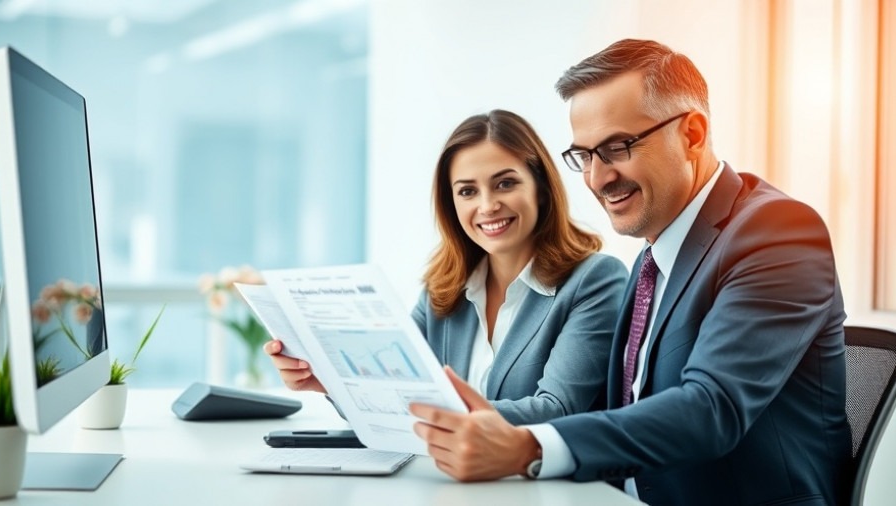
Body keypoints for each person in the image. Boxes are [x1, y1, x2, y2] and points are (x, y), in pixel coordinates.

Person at [409, 39, 852, 506]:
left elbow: (710, 409)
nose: (598, 179)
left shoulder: (776, 232)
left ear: (693, 134)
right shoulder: (653, 258)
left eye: (617, 147)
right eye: (584, 156)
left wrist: (529, 447)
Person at [265, 109, 628, 424]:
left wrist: (422, 410)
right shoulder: (442, 290)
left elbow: (556, 411)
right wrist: (334, 381)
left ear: (542, 188)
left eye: (505, 183)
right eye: (468, 191)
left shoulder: (594, 281)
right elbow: (389, 395)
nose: (487, 206)